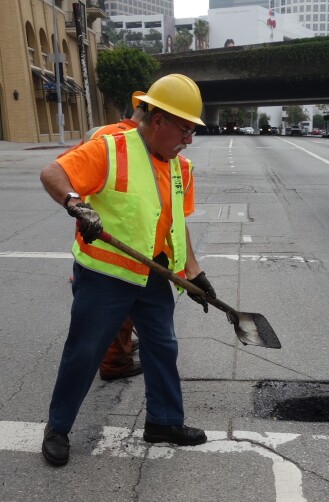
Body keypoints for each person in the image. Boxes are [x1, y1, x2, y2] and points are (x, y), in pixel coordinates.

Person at [39, 74, 216, 467]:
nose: (189, 139)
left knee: (163, 346)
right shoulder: (110, 149)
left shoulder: (180, 168)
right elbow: (53, 173)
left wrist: (195, 273)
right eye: (185, 129)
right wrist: (75, 203)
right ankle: (57, 427)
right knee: (84, 352)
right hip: (106, 276)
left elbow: (176, 224)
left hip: (154, 275)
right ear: (158, 121)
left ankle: (164, 422)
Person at [59, 92, 149, 381]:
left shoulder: (100, 132)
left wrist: (78, 205)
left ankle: (117, 346)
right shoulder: (136, 143)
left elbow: (64, 167)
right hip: (112, 239)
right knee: (118, 304)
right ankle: (115, 362)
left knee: (107, 304)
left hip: (89, 228)